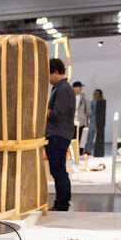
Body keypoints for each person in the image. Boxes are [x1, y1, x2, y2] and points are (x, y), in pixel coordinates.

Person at [46, 58, 75, 211]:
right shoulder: (60, 87)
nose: (48, 78)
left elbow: (58, 113)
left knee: (58, 170)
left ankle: (62, 203)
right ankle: (61, 201)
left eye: (48, 74)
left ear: (56, 72)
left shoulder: (63, 88)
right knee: (57, 170)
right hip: (58, 133)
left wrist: (44, 112)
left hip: (58, 134)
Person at [85, 89, 104, 156]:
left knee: (99, 137)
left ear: (99, 94)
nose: (95, 94)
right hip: (93, 121)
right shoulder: (92, 102)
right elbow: (89, 113)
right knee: (90, 136)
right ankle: (88, 151)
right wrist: (87, 121)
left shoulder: (102, 102)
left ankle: (98, 151)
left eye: (96, 93)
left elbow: (103, 113)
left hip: (99, 122)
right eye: (94, 93)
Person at [72, 81, 89, 153]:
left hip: (81, 121)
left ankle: (80, 152)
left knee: (81, 138)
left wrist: (87, 122)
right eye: (79, 87)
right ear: (74, 88)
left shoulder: (84, 97)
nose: (80, 88)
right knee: (72, 137)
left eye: (81, 87)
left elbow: (87, 110)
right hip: (71, 121)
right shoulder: (70, 96)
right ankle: (73, 152)